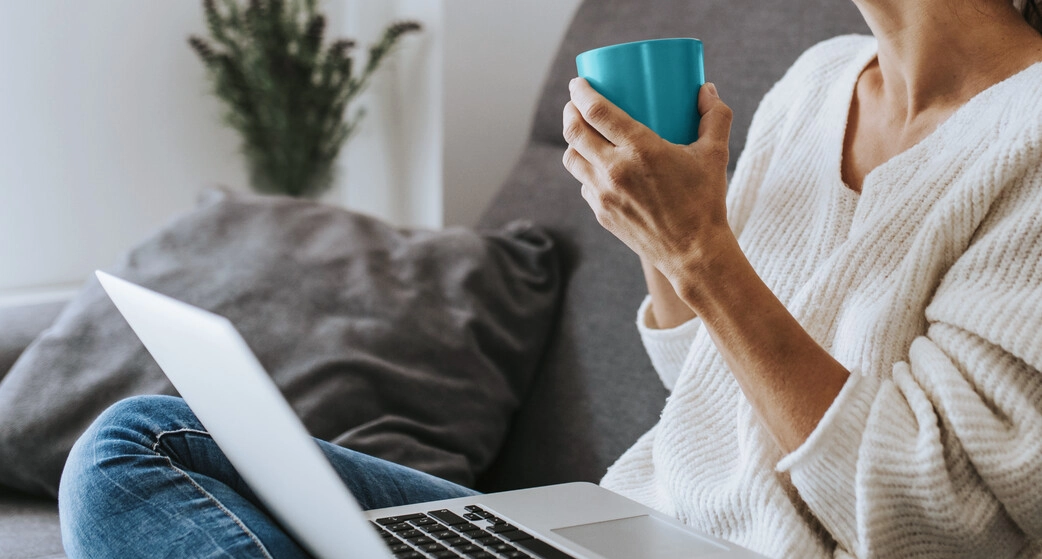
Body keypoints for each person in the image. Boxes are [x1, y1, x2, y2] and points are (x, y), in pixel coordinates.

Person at [59, 0, 1042, 558]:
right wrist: (655, 234)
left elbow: (939, 522)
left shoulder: (1027, 137)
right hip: (636, 525)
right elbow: (710, 388)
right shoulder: (820, 80)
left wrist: (701, 249)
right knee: (140, 444)